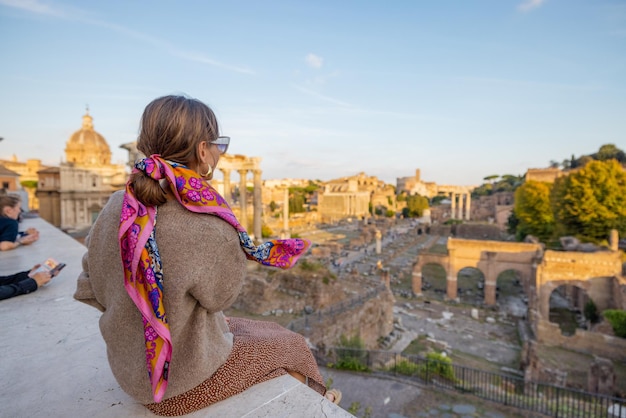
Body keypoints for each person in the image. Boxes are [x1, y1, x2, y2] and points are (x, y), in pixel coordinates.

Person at [74, 95, 340, 416]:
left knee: (268, 330)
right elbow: (219, 298)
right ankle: (320, 404)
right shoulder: (208, 220)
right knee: (292, 345)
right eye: (219, 145)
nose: (219, 153)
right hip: (177, 386)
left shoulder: (117, 203)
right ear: (203, 151)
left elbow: (90, 284)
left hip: (128, 371)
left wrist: (150, 311)